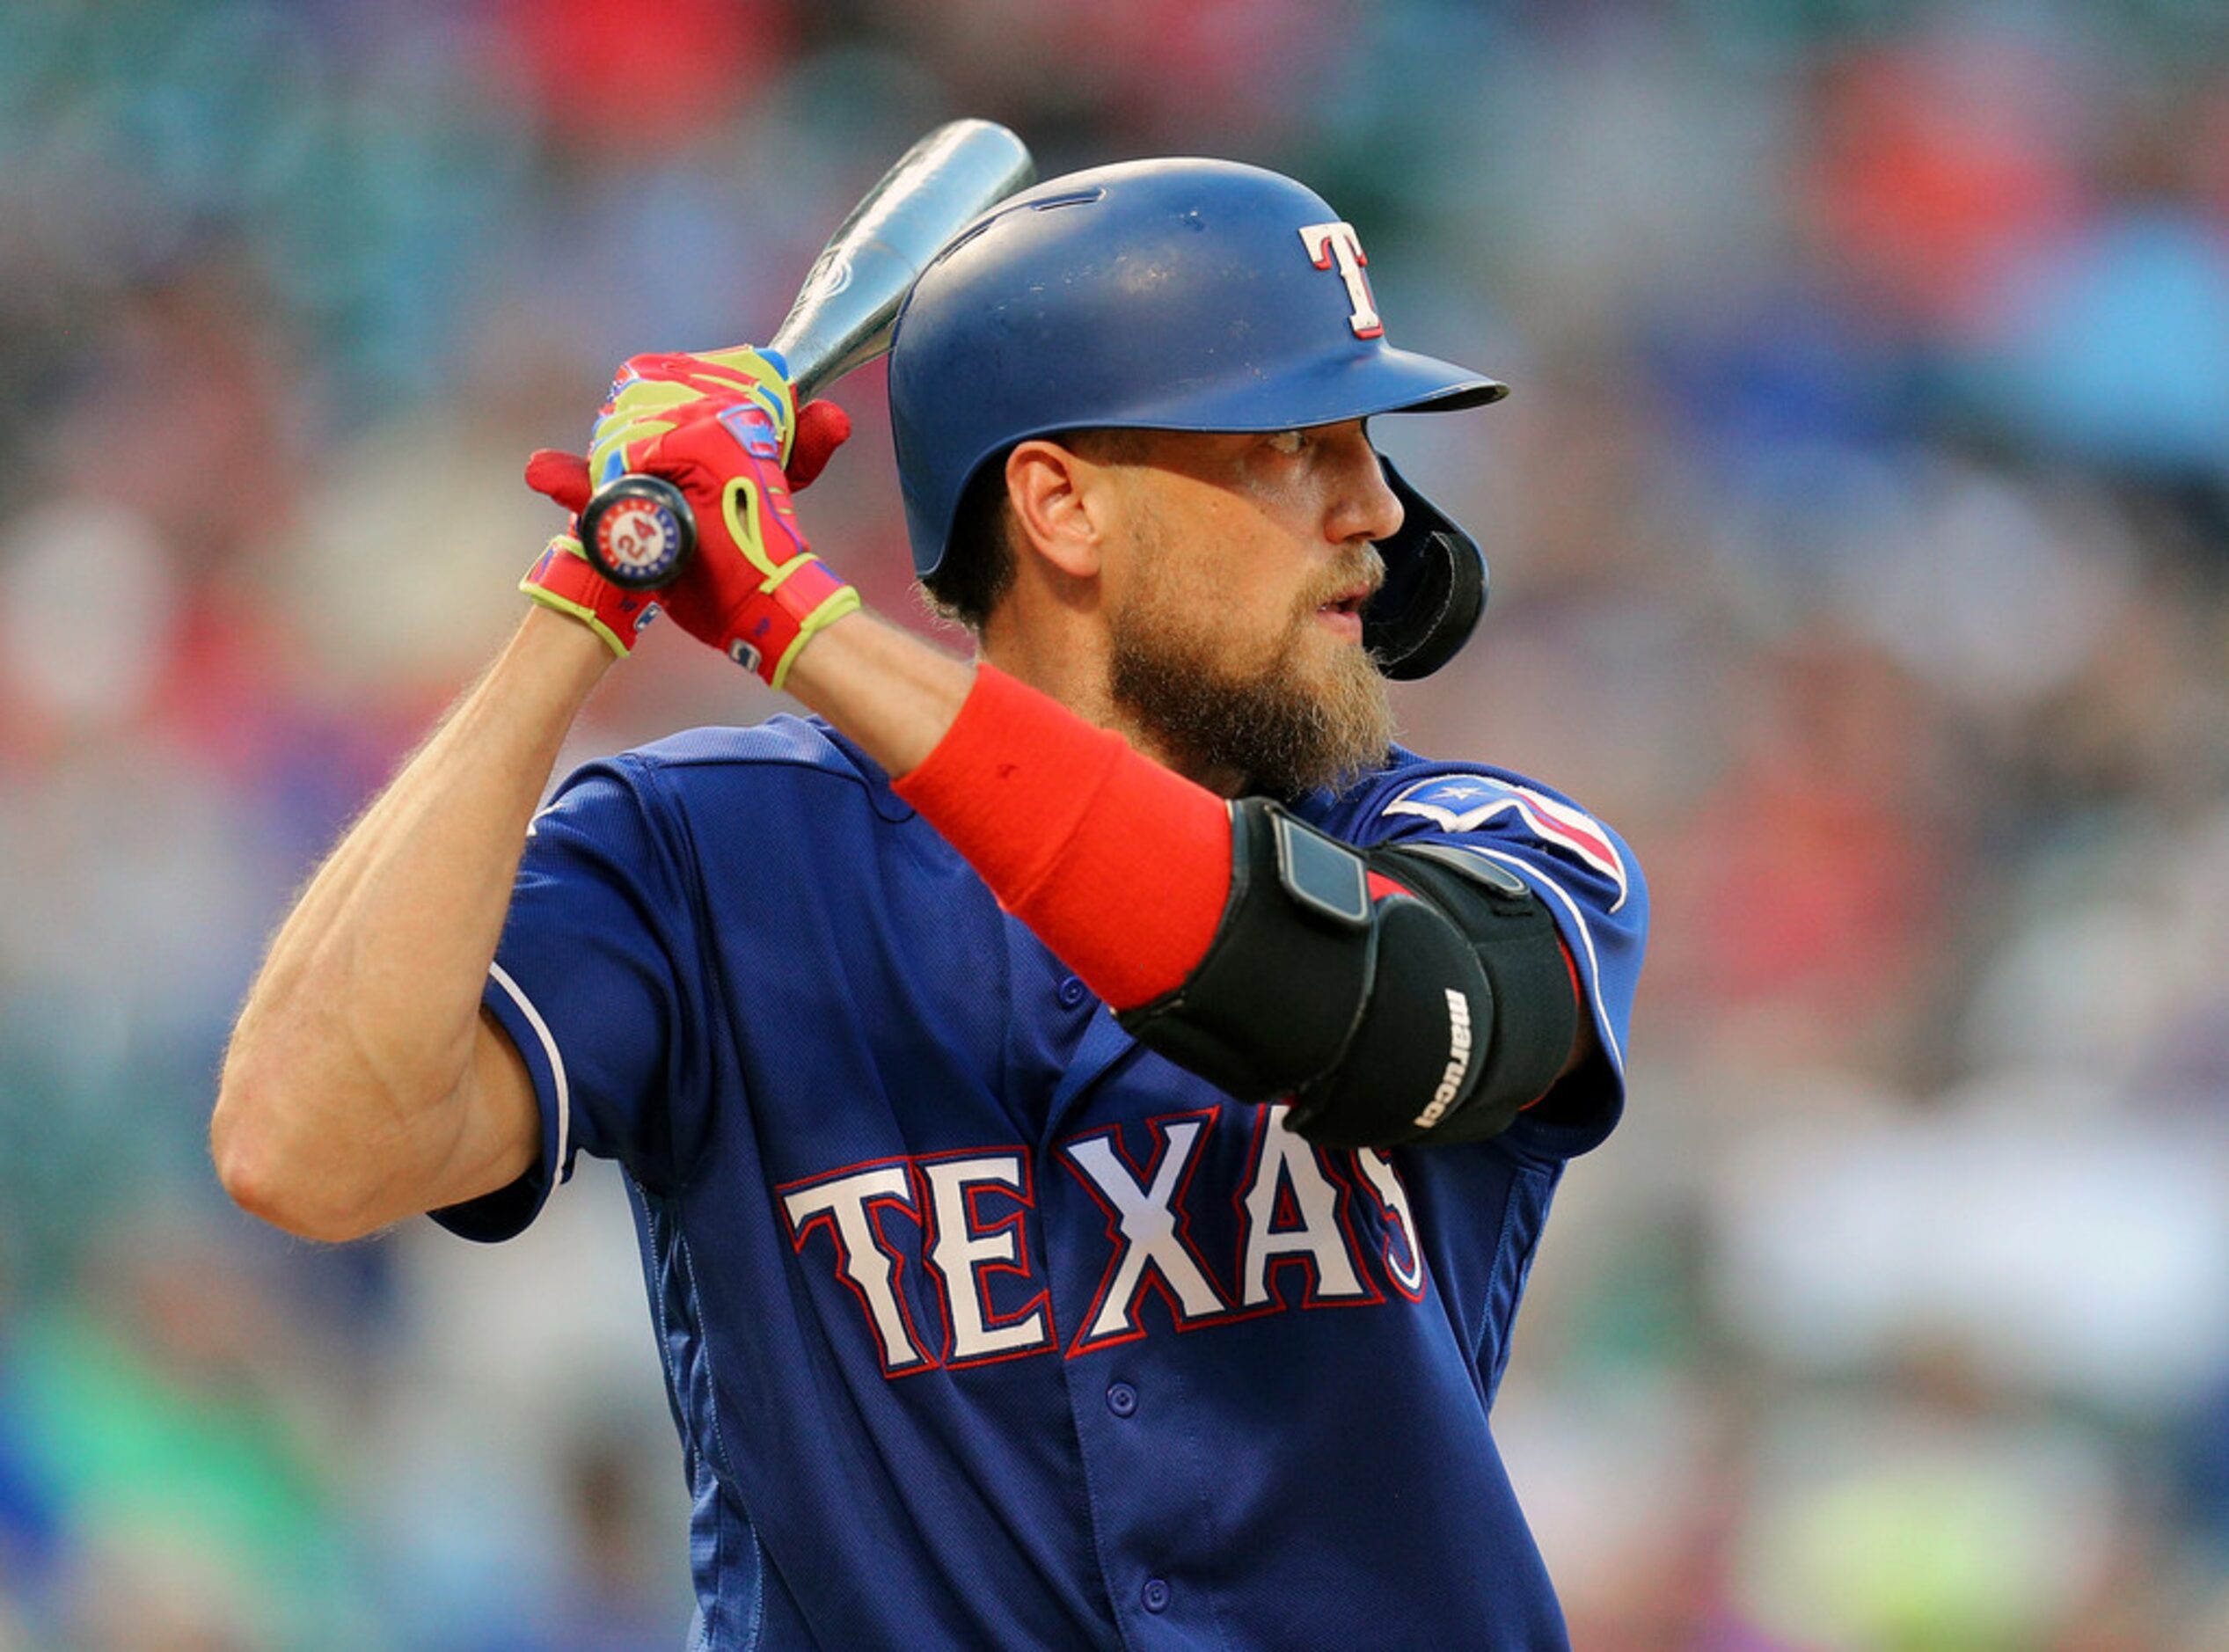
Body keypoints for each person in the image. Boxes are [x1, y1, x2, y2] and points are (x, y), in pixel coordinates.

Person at [214, 157, 1647, 1650]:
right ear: (1059, 505)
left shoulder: (1476, 842)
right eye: (1296, 443)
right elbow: (303, 1150)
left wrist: (793, 615)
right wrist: (590, 591)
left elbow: (1379, 1012)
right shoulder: (718, 851)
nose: (1376, 508)